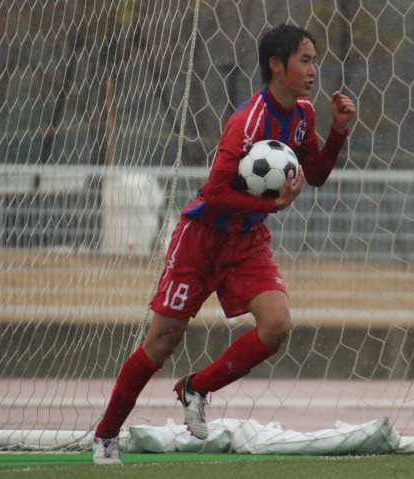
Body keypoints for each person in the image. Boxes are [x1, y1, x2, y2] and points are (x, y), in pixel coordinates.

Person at [92, 23, 356, 465]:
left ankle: (195, 388)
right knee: (161, 342)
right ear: (277, 65)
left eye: (314, 60)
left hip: (247, 240)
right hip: (201, 240)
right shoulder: (246, 122)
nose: (313, 70)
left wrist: (339, 132)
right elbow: (214, 192)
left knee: (276, 325)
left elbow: (317, 172)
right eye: (305, 60)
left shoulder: (305, 112)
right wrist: (272, 206)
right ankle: (105, 436)